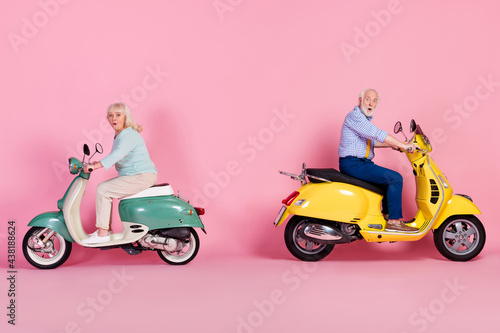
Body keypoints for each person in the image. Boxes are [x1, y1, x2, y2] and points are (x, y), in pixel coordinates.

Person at [338, 89, 419, 233]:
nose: (371, 103)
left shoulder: (362, 120)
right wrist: (402, 145)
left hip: (360, 163)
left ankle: (387, 216)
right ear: (360, 100)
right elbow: (377, 134)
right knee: (395, 179)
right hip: (353, 164)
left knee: (386, 183)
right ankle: (393, 222)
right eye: (368, 99)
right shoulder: (355, 116)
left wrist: (396, 145)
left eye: (375, 100)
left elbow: (372, 142)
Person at [82, 102, 158, 244]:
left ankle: (103, 232)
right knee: (105, 189)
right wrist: (95, 163)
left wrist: (96, 165)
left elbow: (117, 155)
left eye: (118, 115)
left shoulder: (128, 134)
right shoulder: (119, 135)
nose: (114, 118)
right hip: (136, 176)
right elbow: (118, 155)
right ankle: (106, 230)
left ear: (125, 117)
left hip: (141, 176)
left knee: (103, 189)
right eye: (110, 115)